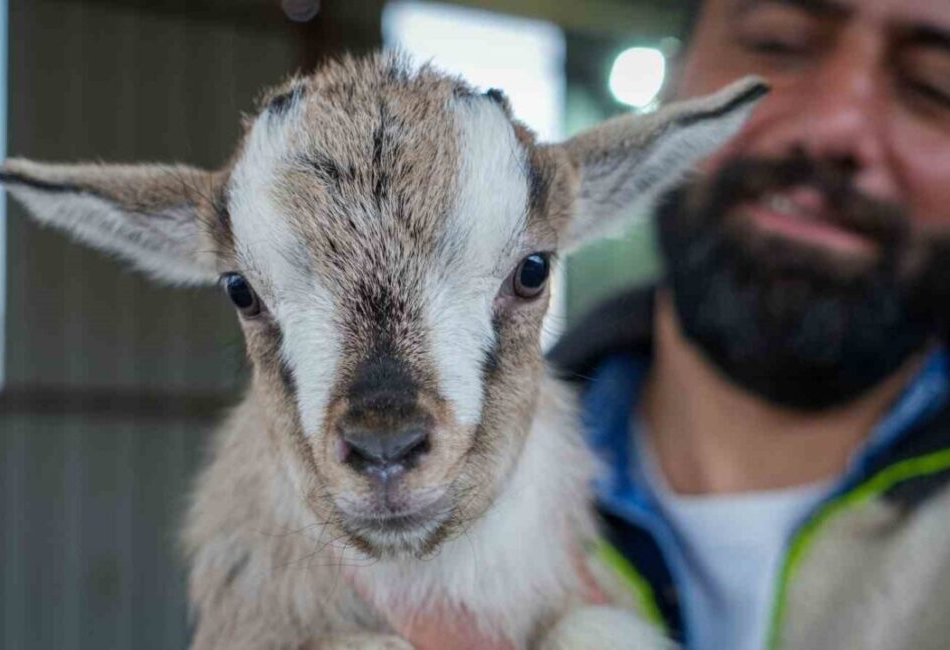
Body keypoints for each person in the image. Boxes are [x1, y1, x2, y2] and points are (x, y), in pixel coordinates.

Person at [403, 0, 950, 648]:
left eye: (933, 87)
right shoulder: (401, 517)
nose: (836, 125)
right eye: (778, 42)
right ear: (674, 80)